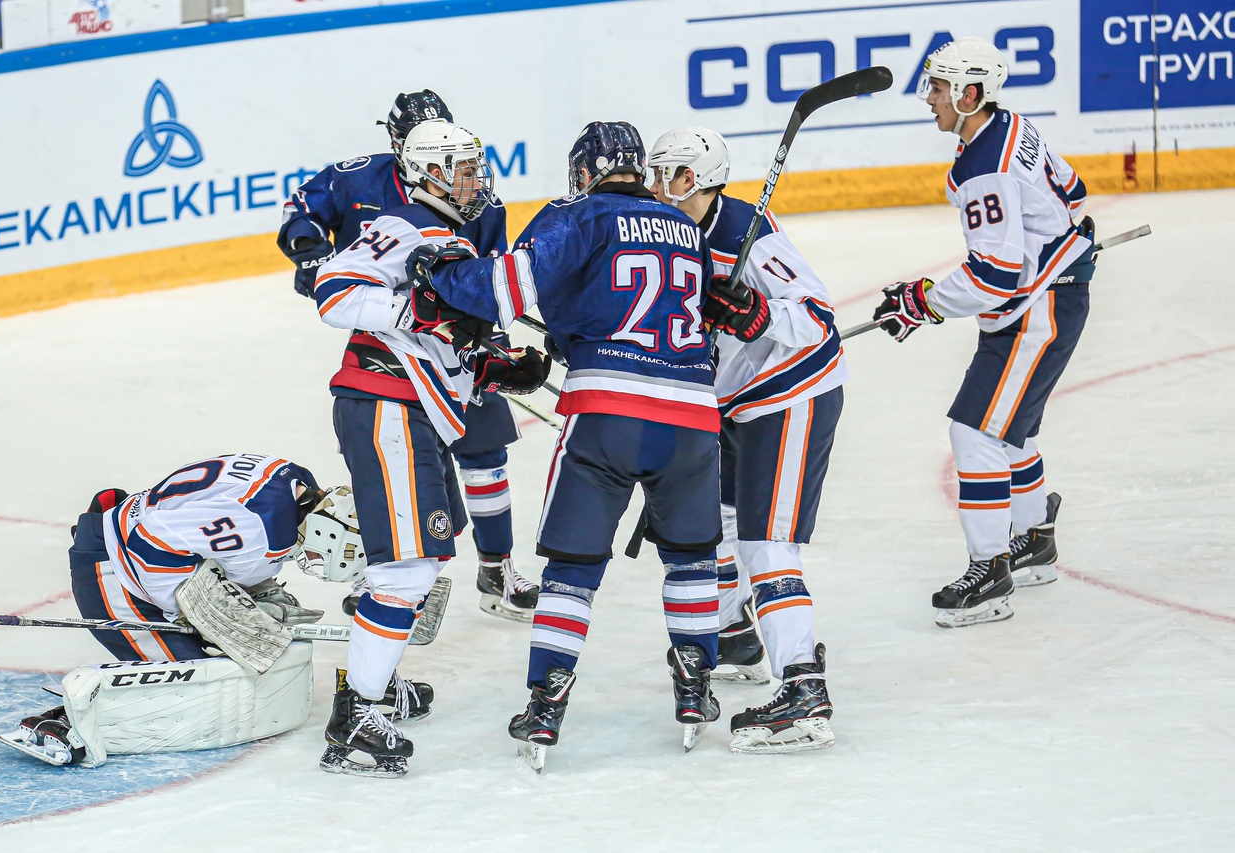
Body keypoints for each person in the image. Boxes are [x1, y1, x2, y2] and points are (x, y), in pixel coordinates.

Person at [410, 121, 772, 769]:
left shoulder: (575, 213)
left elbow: (504, 290)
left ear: (583, 173)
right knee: (692, 559)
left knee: (572, 568)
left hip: (608, 410)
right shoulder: (684, 225)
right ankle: (695, 686)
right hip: (693, 414)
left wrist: (442, 272)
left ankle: (546, 702)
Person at [310, 119, 551, 777]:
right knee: (406, 569)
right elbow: (333, 292)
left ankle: (372, 686)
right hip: (386, 406)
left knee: (425, 558)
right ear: (432, 173)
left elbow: (440, 344)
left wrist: (492, 367)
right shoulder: (406, 226)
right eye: (465, 169)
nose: (477, 180)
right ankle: (357, 715)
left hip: (413, 411)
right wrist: (419, 313)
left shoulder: (450, 237)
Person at [278, 89, 538, 623]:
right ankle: (386, 570)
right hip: (386, 343)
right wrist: (310, 254)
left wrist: (485, 345)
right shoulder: (358, 179)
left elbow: (487, 279)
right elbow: (302, 209)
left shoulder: (477, 197)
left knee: (485, 451)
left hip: (450, 343)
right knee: (391, 457)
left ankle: (497, 567)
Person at [871, 37, 1095, 628]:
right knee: (1010, 429)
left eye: (938, 89)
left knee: (975, 433)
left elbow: (994, 274)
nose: (929, 99)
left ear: (970, 95)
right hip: (1045, 299)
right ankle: (1034, 539)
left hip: (1037, 310)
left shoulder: (984, 165)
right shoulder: (1014, 126)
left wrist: (924, 301)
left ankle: (990, 572)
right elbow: (1074, 192)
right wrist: (1063, 241)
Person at [0, 454, 413, 767]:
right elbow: (150, 543)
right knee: (197, 687)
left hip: (126, 533)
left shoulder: (295, 481)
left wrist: (233, 598)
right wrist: (194, 610)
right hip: (115, 572)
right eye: (334, 556)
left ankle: (369, 683)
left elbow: (198, 524)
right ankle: (64, 721)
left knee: (261, 653)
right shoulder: (262, 532)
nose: (316, 562)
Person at [647, 127, 843, 753]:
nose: (654, 185)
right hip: (736, 403)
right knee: (725, 520)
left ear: (692, 179)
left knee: (765, 543)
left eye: (665, 173)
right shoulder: (672, 233)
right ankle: (734, 635)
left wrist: (761, 315)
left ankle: (803, 689)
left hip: (788, 395)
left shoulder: (743, 234)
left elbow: (816, 315)